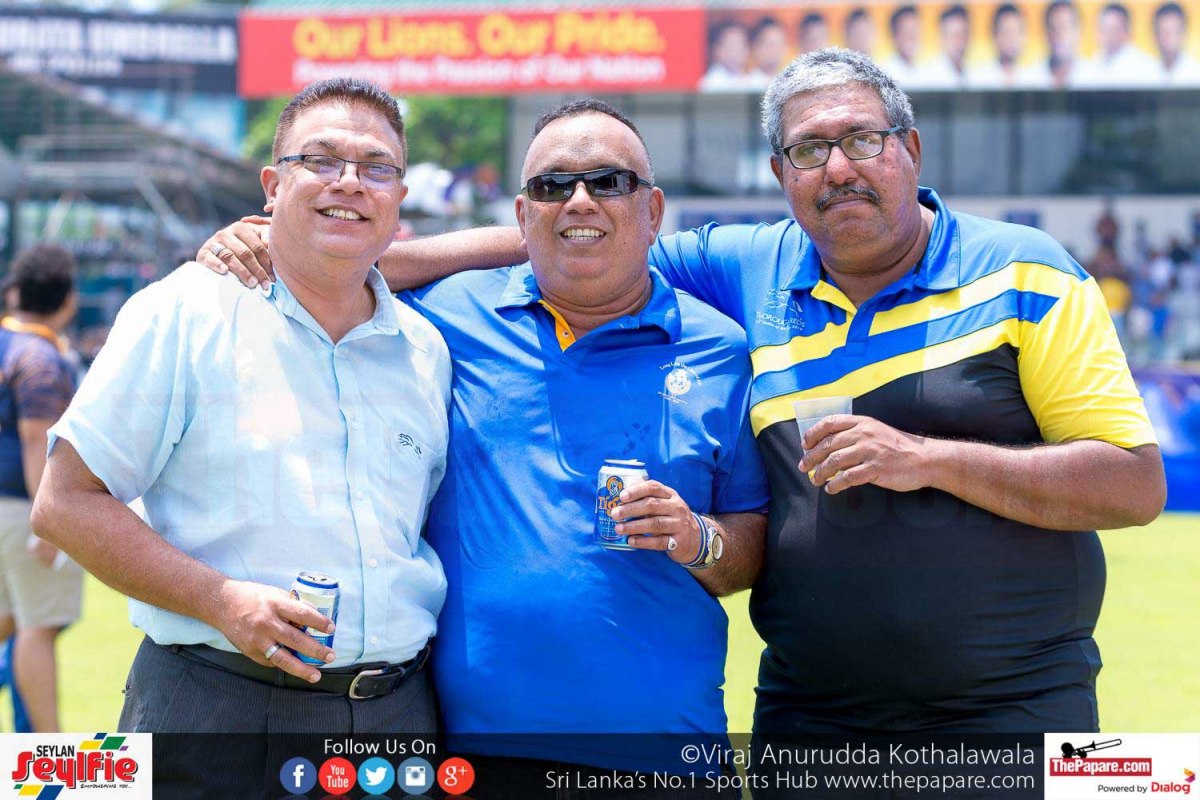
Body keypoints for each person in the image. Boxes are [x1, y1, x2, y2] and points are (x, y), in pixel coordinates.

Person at [208, 49, 1166, 756]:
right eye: (808, 150)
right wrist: (333, 251)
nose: (838, 167)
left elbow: (1133, 486)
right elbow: (589, 241)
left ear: (910, 148)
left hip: (1010, 710)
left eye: (862, 140)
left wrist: (930, 458)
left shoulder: (1027, 271)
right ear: (781, 176)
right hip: (810, 714)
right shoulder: (750, 267)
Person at [201, 99, 770, 797]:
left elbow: (751, 540)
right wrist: (270, 241)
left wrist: (696, 538)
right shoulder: (447, 315)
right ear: (522, 215)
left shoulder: (720, 350)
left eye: (608, 182)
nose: (580, 200)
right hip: (474, 756)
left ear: (653, 210)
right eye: (552, 187)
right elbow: (335, 269)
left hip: (664, 755)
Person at [31, 79, 450, 796]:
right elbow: (65, 503)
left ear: (399, 198)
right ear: (272, 186)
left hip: (396, 718)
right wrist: (221, 600)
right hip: (216, 708)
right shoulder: (184, 313)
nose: (350, 182)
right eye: (321, 159)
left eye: (376, 167)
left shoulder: (425, 350)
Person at [0, 243, 80, 732]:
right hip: (19, 504)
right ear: (68, 301)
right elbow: (36, 439)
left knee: (11, 619)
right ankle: (49, 755)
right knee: (38, 626)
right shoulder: (40, 357)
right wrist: (46, 520)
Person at [1078, 2, 1158, 87]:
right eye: (1104, 29)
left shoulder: (1144, 66)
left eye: (1113, 29)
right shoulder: (1091, 64)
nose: (1107, 35)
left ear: (1126, 32)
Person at [970, 3, 1036, 88]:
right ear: (995, 35)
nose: (1013, 39)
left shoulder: (1034, 78)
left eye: (1018, 32)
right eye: (1008, 31)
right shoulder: (979, 78)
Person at [915, 4, 972, 88]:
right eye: (954, 35)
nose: (960, 41)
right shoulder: (928, 75)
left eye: (964, 34)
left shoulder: (974, 73)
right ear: (942, 38)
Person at [1035, 0, 1085, 88]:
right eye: (1053, 27)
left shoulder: (1093, 75)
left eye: (1064, 27)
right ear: (1045, 33)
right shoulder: (1030, 76)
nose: (1058, 34)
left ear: (1077, 31)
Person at [1153, 2, 1200, 85]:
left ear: (1183, 34)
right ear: (1155, 35)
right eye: (1163, 31)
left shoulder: (1196, 73)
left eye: (1172, 31)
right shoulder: (1144, 72)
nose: (1167, 38)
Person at [700, 21, 754, 92]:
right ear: (717, 49)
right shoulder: (710, 83)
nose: (735, 51)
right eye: (730, 45)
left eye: (740, 45)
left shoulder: (752, 80)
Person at [880, 5, 923, 86]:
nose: (912, 37)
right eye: (906, 31)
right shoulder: (884, 72)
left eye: (915, 30)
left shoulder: (926, 70)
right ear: (894, 36)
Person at [747, 16, 789, 86]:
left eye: (779, 44)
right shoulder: (747, 83)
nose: (776, 50)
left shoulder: (789, 82)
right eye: (770, 44)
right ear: (756, 48)